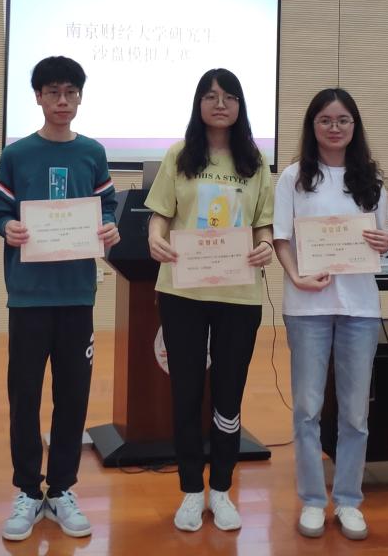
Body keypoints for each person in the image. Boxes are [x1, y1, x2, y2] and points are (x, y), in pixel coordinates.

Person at [0, 56, 119, 542]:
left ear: (80, 97)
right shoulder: (17, 153)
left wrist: (110, 227)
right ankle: (26, 489)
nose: (63, 101)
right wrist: (8, 227)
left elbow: (107, 205)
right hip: (28, 296)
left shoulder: (92, 152)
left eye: (71, 93)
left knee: (73, 394)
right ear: (38, 97)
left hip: (77, 294)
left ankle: (61, 489)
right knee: (24, 394)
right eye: (53, 92)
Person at [146, 68, 275, 533]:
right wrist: (155, 238)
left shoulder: (255, 161)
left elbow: (263, 223)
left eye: (229, 97)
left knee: (228, 393)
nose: (220, 104)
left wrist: (265, 244)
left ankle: (220, 488)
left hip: (238, 294)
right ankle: (189, 490)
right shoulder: (179, 155)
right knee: (185, 391)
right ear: (199, 103)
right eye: (211, 96)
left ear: (240, 106)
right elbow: (160, 214)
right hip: (183, 291)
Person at [272, 88, 388, 541]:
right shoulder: (293, 178)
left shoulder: (372, 180)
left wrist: (387, 240)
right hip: (307, 307)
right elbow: (281, 238)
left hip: (360, 308)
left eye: (343, 120)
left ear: (355, 126)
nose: (335, 128)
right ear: (313, 126)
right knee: (307, 409)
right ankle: (311, 499)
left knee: (355, 412)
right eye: (325, 120)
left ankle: (348, 500)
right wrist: (296, 275)